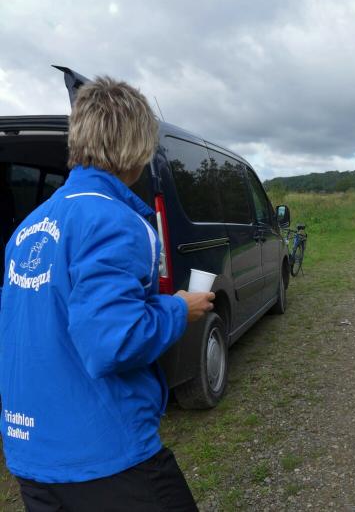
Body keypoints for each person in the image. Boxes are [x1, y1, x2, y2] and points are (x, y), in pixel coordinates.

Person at [0, 76, 215, 510]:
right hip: (102, 453)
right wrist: (177, 309)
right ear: (138, 147)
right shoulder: (114, 221)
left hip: (31, 453)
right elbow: (112, 342)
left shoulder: (28, 227)